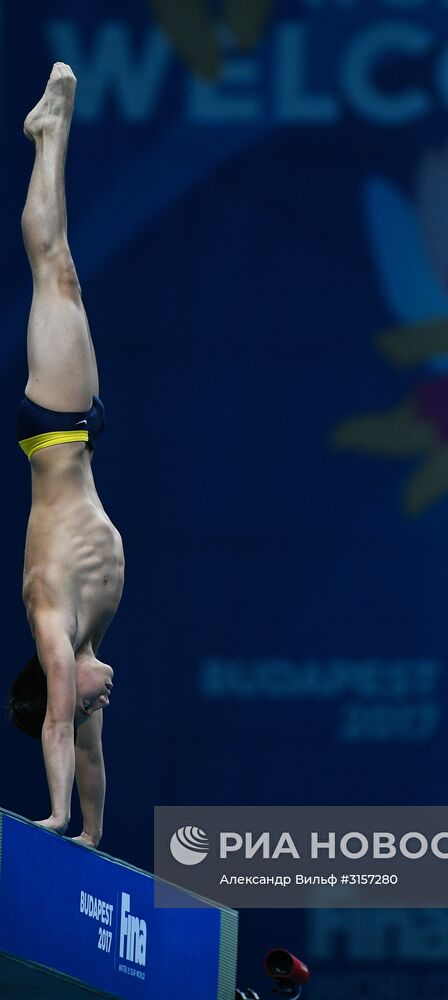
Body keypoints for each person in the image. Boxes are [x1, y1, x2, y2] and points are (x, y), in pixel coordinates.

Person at [7, 64, 122, 848]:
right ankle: (52, 137)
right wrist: (88, 834)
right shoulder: (88, 646)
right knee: (65, 278)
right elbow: (87, 753)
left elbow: (57, 726)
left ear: (58, 685)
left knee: (57, 272)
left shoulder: (55, 623)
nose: (97, 706)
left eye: (86, 702)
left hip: (55, 427)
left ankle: (48, 137)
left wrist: (51, 817)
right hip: (89, 433)